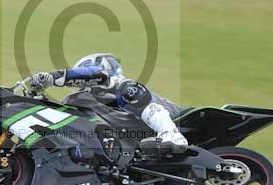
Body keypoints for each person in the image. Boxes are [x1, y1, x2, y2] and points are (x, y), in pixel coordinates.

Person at [30, 53, 188, 151]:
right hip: (141, 137)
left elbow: (96, 74)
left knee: (129, 90)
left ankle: (172, 134)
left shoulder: (115, 82)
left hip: (181, 116)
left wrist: (54, 77)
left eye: (84, 71)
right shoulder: (96, 102)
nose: (81, 84)